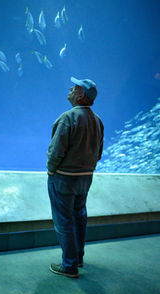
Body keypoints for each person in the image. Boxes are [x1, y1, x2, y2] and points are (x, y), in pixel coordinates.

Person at [47, 76, 104, 278]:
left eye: (75, 87)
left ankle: (69, 266)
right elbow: (98, 153)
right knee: (80, 218)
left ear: (81, 95)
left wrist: (51, 170)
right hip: (85, 179)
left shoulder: (68, 118)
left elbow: (56, 152)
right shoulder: (98, 121)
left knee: (64, 221)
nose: (71, 88)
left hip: (64, 178)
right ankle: (78, 257)